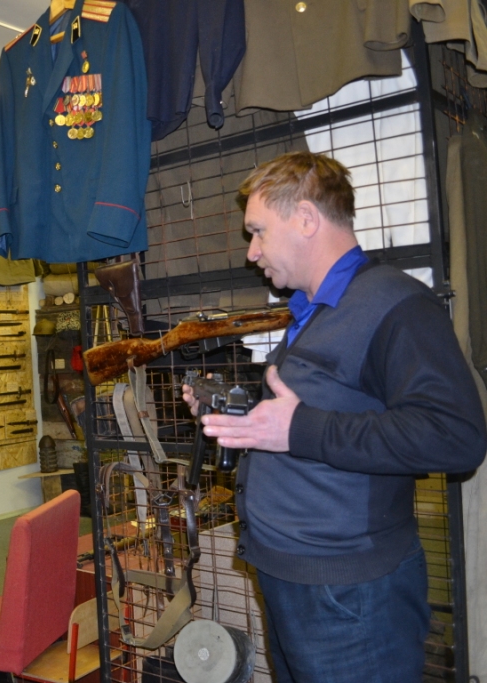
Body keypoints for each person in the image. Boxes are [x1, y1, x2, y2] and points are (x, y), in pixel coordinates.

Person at [181, 151, 487, 682]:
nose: (252, 252)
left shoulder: (396, 304)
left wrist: (296, 428)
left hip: (351, 599)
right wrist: (242, 417)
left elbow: (455, 435)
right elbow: (319, 418)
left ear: (305, 218)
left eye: (258, 231)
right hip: (294, 580)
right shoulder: (312, 310)